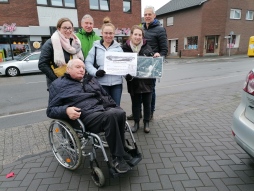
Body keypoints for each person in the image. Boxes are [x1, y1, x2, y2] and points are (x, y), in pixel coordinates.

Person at [47, 59, 132, 174]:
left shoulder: (90, 80)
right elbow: (50, 110)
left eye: (83, 67)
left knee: (120, 113)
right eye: (78, 67)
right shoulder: (58, 85)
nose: (82, 70)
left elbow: (105, 96)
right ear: (68, 69)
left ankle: (121, 149)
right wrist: (66, 110)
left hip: (101, 109)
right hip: (84, 116)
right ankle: (117, 157)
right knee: (111, 116)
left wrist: (115, 107)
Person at [122, 25, 157, 133]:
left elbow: (153, 64)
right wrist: (126, 75)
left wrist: (155, 57)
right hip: (134, 82)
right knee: (135, 104)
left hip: (147, 81)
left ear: (142, 36)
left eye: (140, 35)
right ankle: (136, 123)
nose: (137, 37)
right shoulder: (125, 48)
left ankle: (146, 122)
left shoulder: (147, 47)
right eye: (135, 34)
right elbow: (122, 65)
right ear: (131, 35)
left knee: (147, 103)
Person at [85, 17, 123, 106]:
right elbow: (87, 62)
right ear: (101, 33)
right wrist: (96, 72)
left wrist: (127, 74)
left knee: (116, 106)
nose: (108, 36)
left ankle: (116, 120)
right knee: (103, 107)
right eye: (106, 33)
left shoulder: (119, 48)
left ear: (114, 34)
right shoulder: (95, 47)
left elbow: (123, 65)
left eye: (111, 33)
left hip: (116, 84)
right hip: (101, 83)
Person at [38, 18, 84, 88]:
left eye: (70, 28)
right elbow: (42, 64)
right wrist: (57, 80)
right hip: (57, 83)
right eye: (65, 28)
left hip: (75, 82)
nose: (68, 30)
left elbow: (82, 61)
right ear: (59, 28)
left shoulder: (76, 42)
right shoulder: (51, 43)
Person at [142, 6, 168, 119]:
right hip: (141, 63)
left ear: (154, 15)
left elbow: (164, 50)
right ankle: (137, 112)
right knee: (138, 89)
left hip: (152, 64)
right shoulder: (142, 28)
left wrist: (159, 55)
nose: (147, 16)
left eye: (149, 14)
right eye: (145, 14)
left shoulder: (160, 29)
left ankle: (150, 112)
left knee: (150, 89)